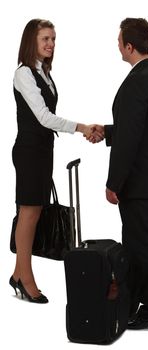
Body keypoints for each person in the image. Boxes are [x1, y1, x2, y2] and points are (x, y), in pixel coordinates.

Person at [88, 18, 148, 329]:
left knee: (145, 245)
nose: (117, 46)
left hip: (137, 180)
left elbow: (132, 139)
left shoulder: (139, 80)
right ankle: (140, 303)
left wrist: (114, 183)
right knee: (141, 242)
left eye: (119, 41)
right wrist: (108, 131)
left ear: (129, 45)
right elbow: (140, 128)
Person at [10, 18, 101, 303]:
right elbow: (44, 117)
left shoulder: (44, 73)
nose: (50, 44)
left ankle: (17, 274)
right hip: (29, 151)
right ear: (31, 42)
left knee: (35, 212)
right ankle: (27, 280)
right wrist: (82, 127)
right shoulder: (24, 73)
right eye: (45, 39)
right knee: (29, 213)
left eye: (52, 39)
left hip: (42, 150)